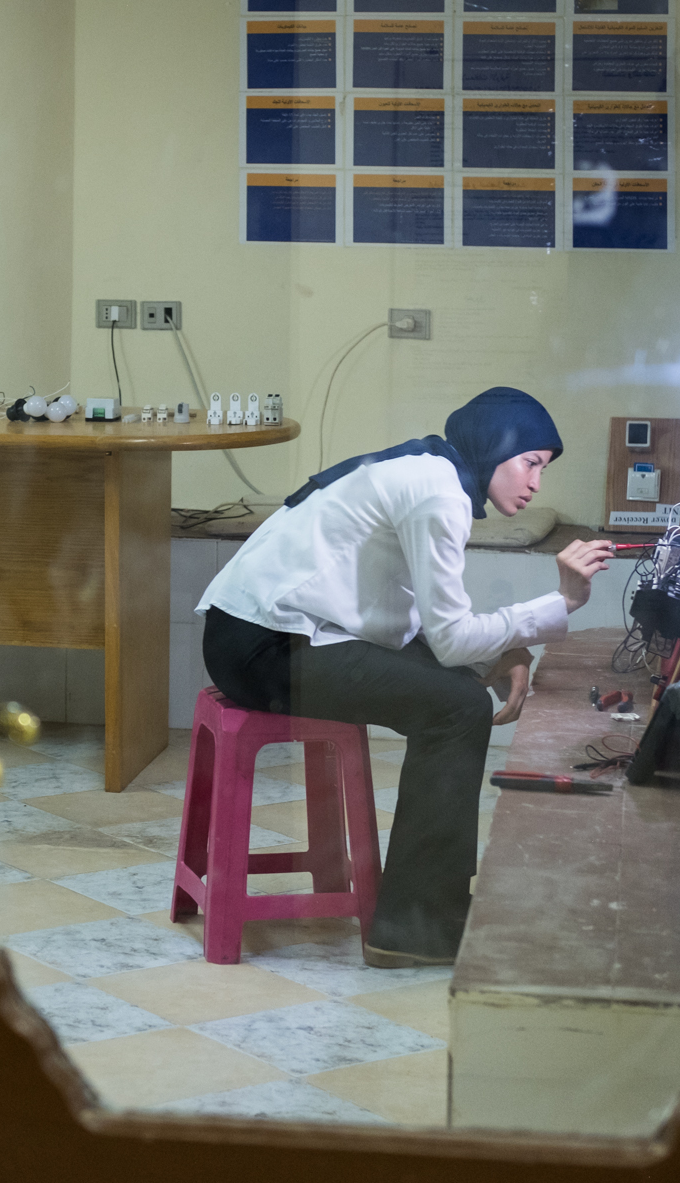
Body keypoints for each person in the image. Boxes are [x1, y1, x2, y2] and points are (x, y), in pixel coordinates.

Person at [196, 387, 615, 967]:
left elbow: (415, 616)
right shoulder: (436, 496)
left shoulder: (428, 473)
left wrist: (501, 651)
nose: (536, 483)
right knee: (456, 708)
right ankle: (412, 925)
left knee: (456, 692)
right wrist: (562, 604)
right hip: (263, 648)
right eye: (531, 463)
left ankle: (431, 903)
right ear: (495, 449)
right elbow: (448, 637)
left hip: (270, 633)